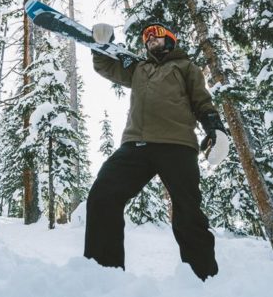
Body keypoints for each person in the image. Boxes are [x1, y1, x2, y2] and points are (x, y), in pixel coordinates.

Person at [83, 20, 227, 281]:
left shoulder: (185, 67)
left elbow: (202, 101)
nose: (150, 39)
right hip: (136, 144)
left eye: (156, 36)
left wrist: (215, 129)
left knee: (188, 211)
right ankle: (103, 277)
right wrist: (100, 46)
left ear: (170, 39)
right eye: (147, 37)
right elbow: (107, 68)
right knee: (103, 196)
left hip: (177, 144)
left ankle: (203, 280)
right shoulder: (139, 68)